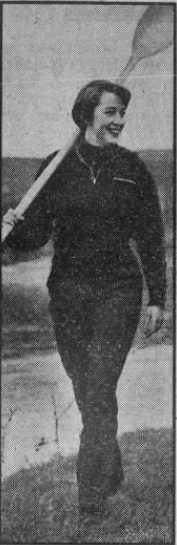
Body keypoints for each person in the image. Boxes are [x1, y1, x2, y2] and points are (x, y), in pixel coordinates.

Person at [3, 80, 166, 541]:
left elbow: (152, 238)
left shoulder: (132, 169)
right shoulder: (54, 169)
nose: (119, 121)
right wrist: (12, 223)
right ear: (87, 114)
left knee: (98, 386)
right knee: (88, 387)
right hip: (69, 294)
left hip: (118, 289)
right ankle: (109, 470)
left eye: (122, 114)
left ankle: (90, 500)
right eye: (111, 112)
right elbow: (34, 237)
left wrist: (158, 298)